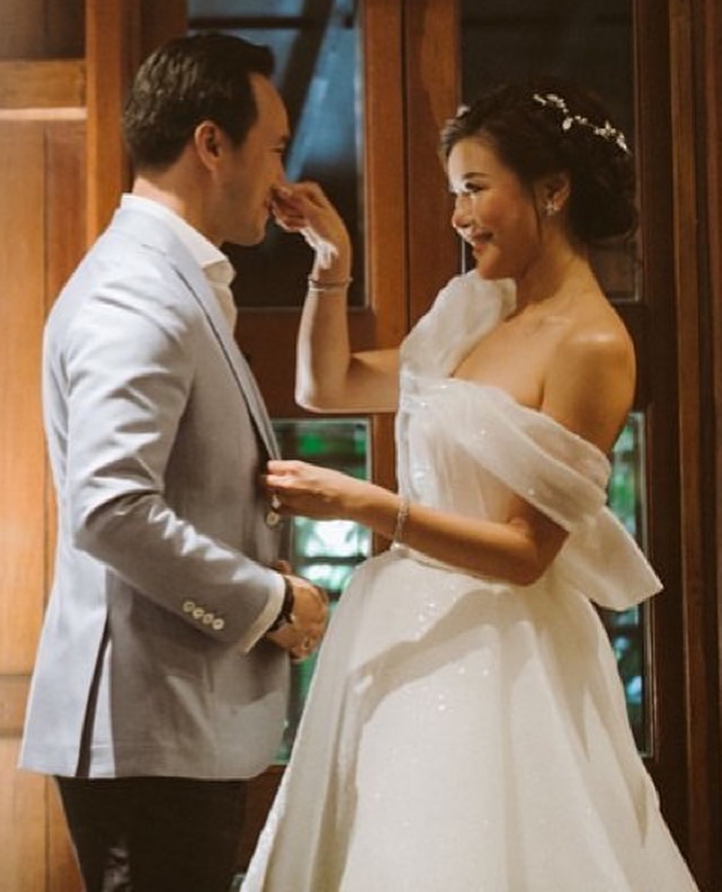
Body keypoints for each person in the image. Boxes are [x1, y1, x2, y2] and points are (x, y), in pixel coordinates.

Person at [241, 79, 698, 890]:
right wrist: (332, 263)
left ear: (552, 191)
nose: (460, 216)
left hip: (498, 652)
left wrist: (365, 504)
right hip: (402, 631)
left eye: (476, 188)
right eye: (456, 193)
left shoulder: (593, 345)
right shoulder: (478, 313)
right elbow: (327, 385)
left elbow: (527, 552)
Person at [20, 32, 329, 892]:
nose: (282, 176)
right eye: (275, 148)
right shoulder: (138, 291)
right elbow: (110, 509)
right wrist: (267, 602)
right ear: (211, 144)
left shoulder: (169, 279)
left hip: (168, 727)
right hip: (148, 730)